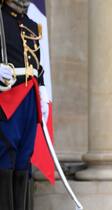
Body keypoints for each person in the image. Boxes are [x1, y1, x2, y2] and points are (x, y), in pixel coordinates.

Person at [0, 0, 49, 209]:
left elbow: (37, 64)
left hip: (29, 97)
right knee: (5, 157)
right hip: (7, 98)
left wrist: (42, 88)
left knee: (24, 158)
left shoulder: (30, 24)